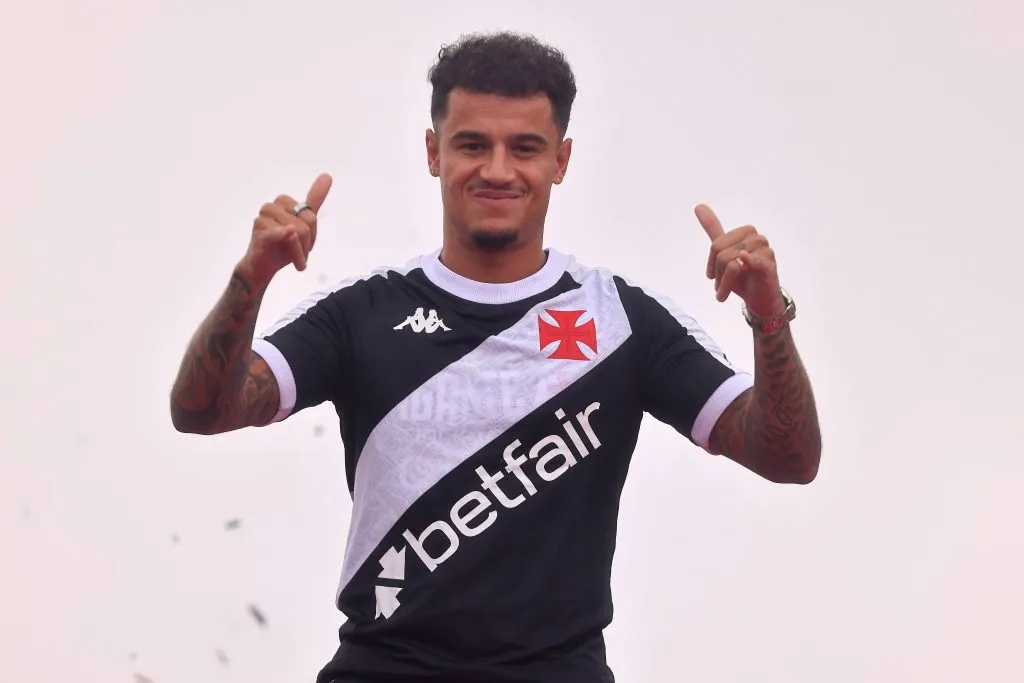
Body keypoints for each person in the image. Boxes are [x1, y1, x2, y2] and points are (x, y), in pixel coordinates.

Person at [169, 30, 822, 683]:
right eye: (473, 144)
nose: (499, 170)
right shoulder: (359, 314)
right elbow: (203, 409)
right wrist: (250, 280)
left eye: (526, 148)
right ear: (434, 151)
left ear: (561, 160)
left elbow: (788, 457)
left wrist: (768, 315)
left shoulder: (621, 319)